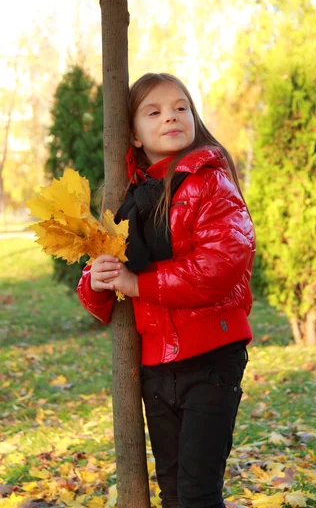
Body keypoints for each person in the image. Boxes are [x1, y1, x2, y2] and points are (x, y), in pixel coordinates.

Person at [77, 72, 256, 508]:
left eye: (181, 108)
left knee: (197, 491)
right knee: (173, 489)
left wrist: (137, 282)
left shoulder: (211, 181)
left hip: (212, 359)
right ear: (132, 135)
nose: (171, 117)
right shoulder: (130, 198)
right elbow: (105, 288)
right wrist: (98, 281)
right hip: (157, 367)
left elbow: (220, 265)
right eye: (153, 111)